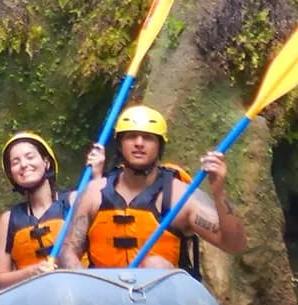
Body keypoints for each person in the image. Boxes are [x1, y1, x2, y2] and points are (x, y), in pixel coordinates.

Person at [59, 105, 247, 271]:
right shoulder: (94, 194)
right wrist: (81, 280)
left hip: (161, 299)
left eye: (148, 138)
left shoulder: (179, 197)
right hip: (105, 297)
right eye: (131, 136)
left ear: (159, 146)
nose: (139, 143)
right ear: (120, 144)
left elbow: (234, 245)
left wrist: (218, 190)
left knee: (155, 264)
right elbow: (68, 249)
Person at [0, 132, 105, 287]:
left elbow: (105, 223)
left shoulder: (74, 200)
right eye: (15, 162)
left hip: (78, 291)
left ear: (46, 162)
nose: (24, 165)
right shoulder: (8, 219)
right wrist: (32, 272)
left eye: (30, 157)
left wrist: (97, 175)